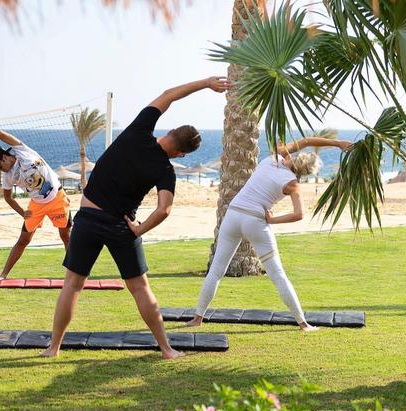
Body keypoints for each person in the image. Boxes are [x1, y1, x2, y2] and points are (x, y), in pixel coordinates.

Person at [40, 77, 229, 358]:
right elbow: (164, 209)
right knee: (139, 288)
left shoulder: (138, 130)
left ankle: (53, 348)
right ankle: (166, 349)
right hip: (121, 227)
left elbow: (169, 94)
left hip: (89, 218)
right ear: (180, 153)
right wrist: (139, 230)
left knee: (73, 285)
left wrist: (206, 83)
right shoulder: (166, 170)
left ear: (170, 131)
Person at [186, 136, 353, 331]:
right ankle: (303, 323)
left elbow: (307, 140)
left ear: (295, 156)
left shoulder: (274, 158)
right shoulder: (292, 184)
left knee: (216, 270)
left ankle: (197, 318)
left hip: (233, 215)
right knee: (277, 274)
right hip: (255, 221)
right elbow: (299, 214)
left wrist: (338, 143)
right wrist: (273, 220)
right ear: (305, 173)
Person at [0, 131, 71, 279]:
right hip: (37, 205)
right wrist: (22, 213)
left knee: (66, 237)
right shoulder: (8, 177)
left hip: (57, 198)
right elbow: (8, 198)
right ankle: (3, 275)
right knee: (23, 240)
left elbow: (0, 134)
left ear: (5, 157)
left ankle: (73, 274)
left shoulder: (22, 151)